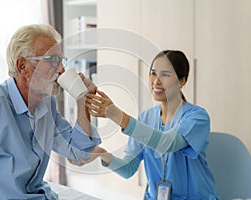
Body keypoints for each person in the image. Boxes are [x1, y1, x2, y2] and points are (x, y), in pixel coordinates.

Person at [0, 24, 100, 199]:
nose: (62, 69)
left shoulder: (47, 104)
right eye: (53, 60)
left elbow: (79, 153)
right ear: (22, 66)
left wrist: (82, 100)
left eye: (62, 61)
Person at [83, 50, 219, 199]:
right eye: (153, 73)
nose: (156, 81)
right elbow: (128, 169)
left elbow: (166, 143)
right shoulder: (145, 118)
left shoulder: (197, 118)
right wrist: (102, 154)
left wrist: (116, 115)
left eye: (165, 74)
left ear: (182, 81)